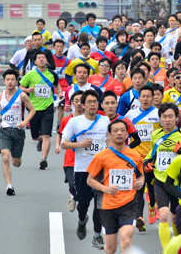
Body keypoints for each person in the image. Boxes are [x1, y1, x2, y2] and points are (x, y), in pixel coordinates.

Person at [85, 119, 144, 254]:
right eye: (115, 130)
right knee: (111, 249)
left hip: (129, 204)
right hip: (108, 206)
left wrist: (139, 183)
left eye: (122, 130)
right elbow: (90, 180)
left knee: (126, 240)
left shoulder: (135, 156)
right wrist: (106, 189)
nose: (119, 133)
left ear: (127, 134)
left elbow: (141, 175)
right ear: (110, 135)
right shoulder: (101, 156)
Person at [61, 90, 110, 248]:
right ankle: (82, 220)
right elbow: (63, 143)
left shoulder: (105, 121)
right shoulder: (75, 122)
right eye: (89, 102)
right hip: (82, 169)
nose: (93, 104)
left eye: (95, 101)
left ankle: (97, 235)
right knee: (83, 204)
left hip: (101, 169)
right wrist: (80, 144)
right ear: (82, 104)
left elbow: (109, 142)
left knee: (99, 204)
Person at [143, 103, 181, 249]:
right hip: (160, 180)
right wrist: (146, 163)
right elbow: (152, 153)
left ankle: (177, 246)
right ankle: (167, 250)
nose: (167, 119)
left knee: (174, 218)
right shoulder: (155, 135)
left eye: (170, 116)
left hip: (176, 183)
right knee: (163, 215)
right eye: (164, 117)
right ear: (160, 118)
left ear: (176, 117)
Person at [0, 69, 36, 195]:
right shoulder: (0, 96)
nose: (10, 82)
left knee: (16, 162)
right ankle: (9, 185)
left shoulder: (22, 95)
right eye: (7, 80)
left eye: (12, 80)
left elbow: (32, 110)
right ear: (4, 81)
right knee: (5, 157)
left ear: (16, 81)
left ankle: (18, 160)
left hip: (18, 131)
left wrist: (25, 122)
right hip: (4, 131)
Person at [124, 86, 161, 231]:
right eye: (143, 96)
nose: (145, 99)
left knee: (152, 187)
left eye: (148, 96)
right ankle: (139, 217)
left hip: (152, 157)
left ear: (153, 98)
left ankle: (152, 205)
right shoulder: (131, 114)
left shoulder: (158, 114)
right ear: (138, 99)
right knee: (138, 188)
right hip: (136, 158)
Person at [19, 50, 64, 170]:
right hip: (33, 108)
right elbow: (21, 86)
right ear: (35, 61)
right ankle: (39, 139)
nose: (41, 59)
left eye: (43, 57)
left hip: (48, 107)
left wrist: (59, 93)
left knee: (46, 135)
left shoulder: (52, 74)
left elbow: (57, 84)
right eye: (39, 58)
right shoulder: (30, 74)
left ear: (47, 60)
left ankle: (44, 159)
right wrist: (28, 90)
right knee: (35, 135)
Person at [52, 39, 72, 128]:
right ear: (54, 47)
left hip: (63, 86)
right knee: (51, 108)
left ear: (63, 47)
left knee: (60, 106)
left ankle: (59, 124)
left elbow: (70, 74)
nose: (59, 49)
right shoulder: (50, 59)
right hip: (52, 86)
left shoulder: (68, 61)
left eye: (61, 46)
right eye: (57, 46)